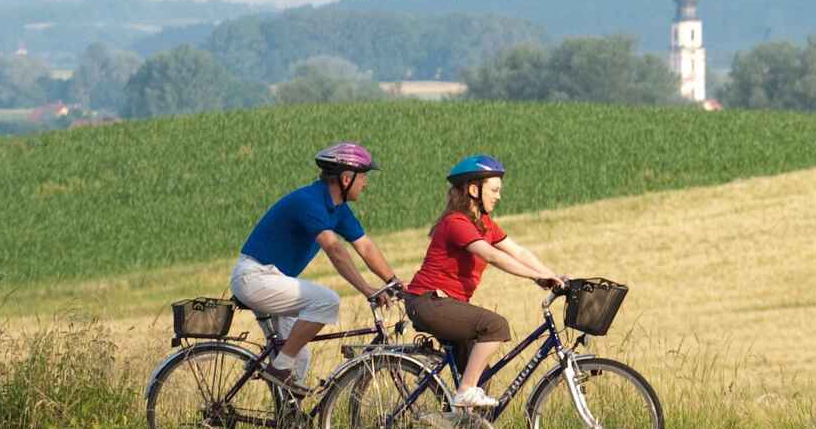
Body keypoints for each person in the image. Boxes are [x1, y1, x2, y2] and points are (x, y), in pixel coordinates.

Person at [233, 141, 403, 392]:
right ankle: (278, 368)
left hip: (273, 279)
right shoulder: (309, 201)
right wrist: (367, 289)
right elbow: (334, 249)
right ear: (346, 179)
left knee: (299, 357)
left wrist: (394, 282)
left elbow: (364, 246)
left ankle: (287, 427)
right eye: (363, 177)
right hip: (256, 277)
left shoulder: (338, 209)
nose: (365, 184)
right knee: (327, 302)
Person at [404, 154, 568, 410]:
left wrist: (553, 275)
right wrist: (536, 276)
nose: (498, 196)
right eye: (493, 190)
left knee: (483, 375)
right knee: (495, 326)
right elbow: (491, 255)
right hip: (428, 301)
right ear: (473, 189)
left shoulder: (485, 224)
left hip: (445, 304)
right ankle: (465, 391)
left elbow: (519, 252)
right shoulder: (456, 223)